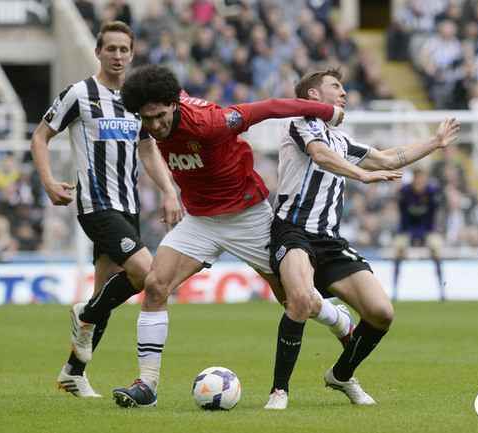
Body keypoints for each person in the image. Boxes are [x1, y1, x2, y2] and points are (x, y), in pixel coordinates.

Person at [109, 63, 352, 408]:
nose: (156, 125)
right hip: (200, 220)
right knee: (156, 284)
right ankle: (147, 386)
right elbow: (149, 118)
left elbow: (271, 107)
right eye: (147, 119)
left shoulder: (210, 122)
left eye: (161, 116)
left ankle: (338, 318)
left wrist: (328, 111)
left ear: (174, 105)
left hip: (248, 216)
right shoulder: (151, 111)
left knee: (295, 299)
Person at [263, 67, 459, 409]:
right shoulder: (301, 122)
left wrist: (435, 142)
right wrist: (362, 175)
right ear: (313, 95)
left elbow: (388, 157)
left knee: (381, 313)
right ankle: (280, 390)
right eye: (335, 86)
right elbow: (320, 154)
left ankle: (341, 375)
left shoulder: (342, 140)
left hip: (329, 240)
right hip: (293, 230)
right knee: (300, 300)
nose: (344, 92)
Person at [30, 21, 182, 398]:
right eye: (110, 48)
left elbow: (148, 150)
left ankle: (73, 372)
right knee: (147, 273)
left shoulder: (135, 101)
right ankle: (86, 313)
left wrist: (169, 190)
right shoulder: (79, 93)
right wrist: (48, 181)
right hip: (96, 204)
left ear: (132, 54)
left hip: (128, 207)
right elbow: (40, 137)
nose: (117, 55)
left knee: (106, 293)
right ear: (98, 52)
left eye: (123, 49)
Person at [392, 169, 445, 301]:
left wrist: (425, 233)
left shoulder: (433, 191)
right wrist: (408, 234)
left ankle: (442, 292)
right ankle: (394, 292)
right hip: (407, 227)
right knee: (398, 253)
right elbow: (403, 214)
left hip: (427, 227)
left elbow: (433, 213)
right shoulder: (404, 192)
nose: (419, 184)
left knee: (436, 251)